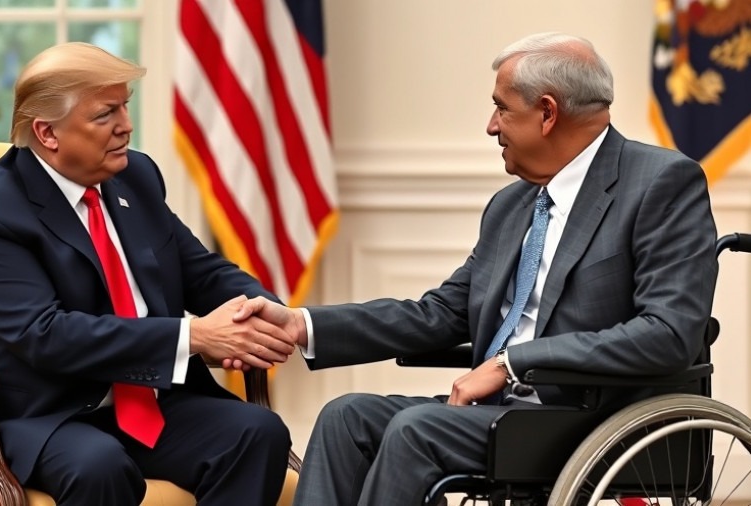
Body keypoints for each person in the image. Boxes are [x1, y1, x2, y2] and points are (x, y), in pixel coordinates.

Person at [233, 32, 719, 505]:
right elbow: (441, 314)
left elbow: (667, 333)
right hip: (502, 416)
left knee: (416, 430)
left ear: (547, 112)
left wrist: (512, 363)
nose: (491, 125)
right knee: (346, 417)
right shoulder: (512, 205)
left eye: (503, 108)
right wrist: (301, 324)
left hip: (589, 412)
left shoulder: (661, 183)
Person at [0, 42, 296, 506]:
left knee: (256, 433)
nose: (127, 126)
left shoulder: (135, 176)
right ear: (47, 133)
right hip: (39, 416)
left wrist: (264, 311)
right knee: (99, 465)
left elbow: (201, 271)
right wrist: (194, 337)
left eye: (126, 106)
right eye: (105, 114)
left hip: (146, 400)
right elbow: (47, 335)